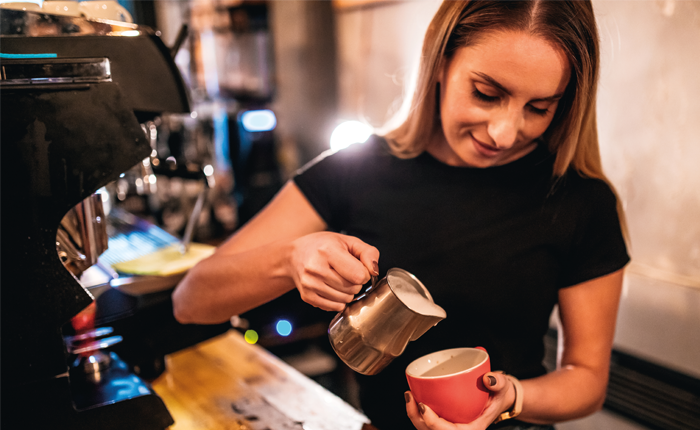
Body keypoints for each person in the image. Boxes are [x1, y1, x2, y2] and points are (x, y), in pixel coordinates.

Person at [172, 1, 630, 429]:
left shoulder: (580, 201)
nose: (505, 133)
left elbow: (587, 378)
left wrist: (512, 397)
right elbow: (191, 301)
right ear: (441, 62)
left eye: (539, 108)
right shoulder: (356, 171)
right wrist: (289, 259)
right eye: (487, 93)